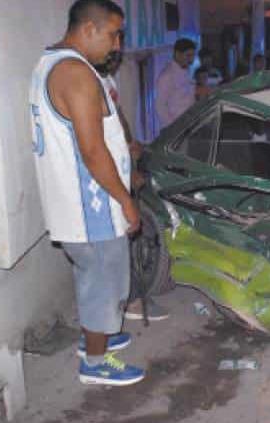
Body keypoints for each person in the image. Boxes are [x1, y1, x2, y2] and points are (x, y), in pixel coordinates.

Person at [29, 0, 144, 385]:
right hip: (91, 206)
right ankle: (95, 363)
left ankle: (95, 337)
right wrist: (126, 200)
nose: (117, 45)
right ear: (89, 29)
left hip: (75, 205)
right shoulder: (75, 73)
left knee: (93, 277)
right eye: (114, 34)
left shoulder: (51, 63)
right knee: (104, 282)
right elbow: (92, 151)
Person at [95, 45, 170, 323]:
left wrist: (130, 143)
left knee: (122, 239)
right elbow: (96, 142)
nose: (114, 61)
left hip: (119, 163)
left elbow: (118, 118)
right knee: (119, 239)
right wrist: (126, 174)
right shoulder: (89, 83)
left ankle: (127, 298)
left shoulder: (107, 82)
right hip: (106, 175)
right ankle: (130, 301)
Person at [156, 38, 196, 131]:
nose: (191, 60)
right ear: (177, 54)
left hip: (188, 125)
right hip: (175, 129)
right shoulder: (167, 76)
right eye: (188, 55)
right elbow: (160, 106)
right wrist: (173, 127)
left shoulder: (187, 72)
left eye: (193, 55)